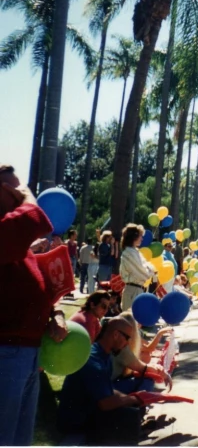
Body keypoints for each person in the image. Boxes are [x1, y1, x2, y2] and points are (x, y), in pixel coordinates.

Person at [0, 164, 69, 445]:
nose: (19, 196)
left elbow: (37, 288)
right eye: (13, 189)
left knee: (19, 439)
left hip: (26, 353)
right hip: (5, 353)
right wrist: (28, 196)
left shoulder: (16, 244)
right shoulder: (7, 234)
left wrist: (56, 312)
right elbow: (34, 219)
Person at [57, 317, 145, 444]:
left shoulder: (104, 354)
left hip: (87, 412)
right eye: (127, 338)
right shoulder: (93, 361)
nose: (127, 343)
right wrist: (135, 399)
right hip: (75, 421)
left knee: (132, 410)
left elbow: (108, 390)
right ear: (116, 334)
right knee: (129, 417)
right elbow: (105, 403)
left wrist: (132, 399)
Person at [119, 224, 156, 311]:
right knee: (131, 321)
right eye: (140, 236)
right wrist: (150, 270)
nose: (142, 239)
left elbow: (148, 266)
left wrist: (149, 268)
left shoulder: (135, 252)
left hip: (139, 289)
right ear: (133, 237)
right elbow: (143, 273)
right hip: (133, 290)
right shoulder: (129, 253)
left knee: (137, 322)